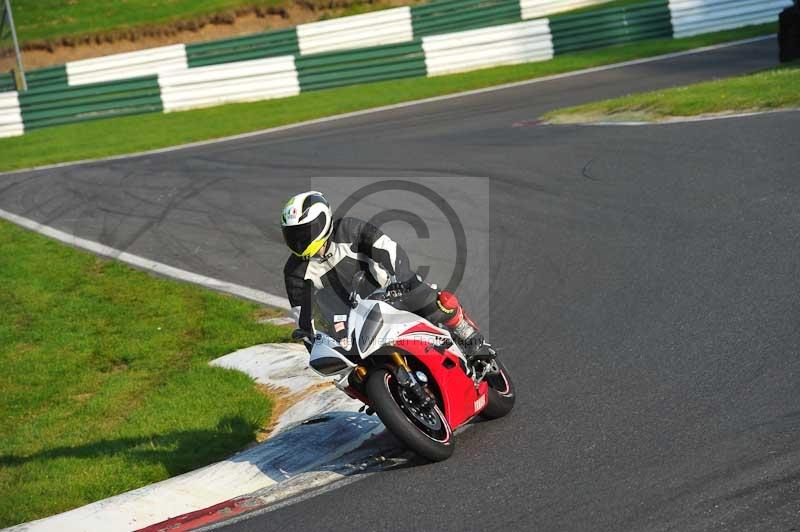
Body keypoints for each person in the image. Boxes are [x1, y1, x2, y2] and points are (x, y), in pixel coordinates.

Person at [280, 190, 495, 363]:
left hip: (388, 291)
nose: (300, 241)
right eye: (294, 235)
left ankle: (464, 331)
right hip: (349, 321)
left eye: (305, 231)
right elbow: (303, 319)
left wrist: (402, 278)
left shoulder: (348, 229)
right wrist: (314, 345)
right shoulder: (294, 273)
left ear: (324, 221)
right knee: (346, 368)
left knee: (427, 298)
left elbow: (388, 249)